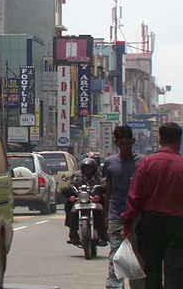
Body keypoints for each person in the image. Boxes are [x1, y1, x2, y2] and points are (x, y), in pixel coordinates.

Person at [122, 122, 183, 289]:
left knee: (151, 271)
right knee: (175, 273)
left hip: (150, 225)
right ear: (179, 141)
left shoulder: (147, 163)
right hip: (178, 226)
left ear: (159, 139)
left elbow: (134, 197)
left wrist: (127, 225)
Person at [104, 125, 145, 289]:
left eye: (128, 143)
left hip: (138, 217)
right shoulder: (110, 162)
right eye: (122, 144)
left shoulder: (142, 162)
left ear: (133, 142)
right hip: (116, 216)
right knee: (116, 256)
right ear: (116, 143)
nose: (126, 147)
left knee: (137, 257)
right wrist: (105, 216)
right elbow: (108, 191)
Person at [63, 157, 107, 246]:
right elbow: (71, 187)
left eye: (90, 168)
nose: (88, 170)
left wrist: (99, 195)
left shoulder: (99, 178)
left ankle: (103, 236)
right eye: (86, 168)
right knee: (73, 211)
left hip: (94, 202)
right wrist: (71, 195)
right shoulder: (77, 178)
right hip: (80, 201)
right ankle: (73, 236)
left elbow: (105, 187)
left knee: (100, 211)